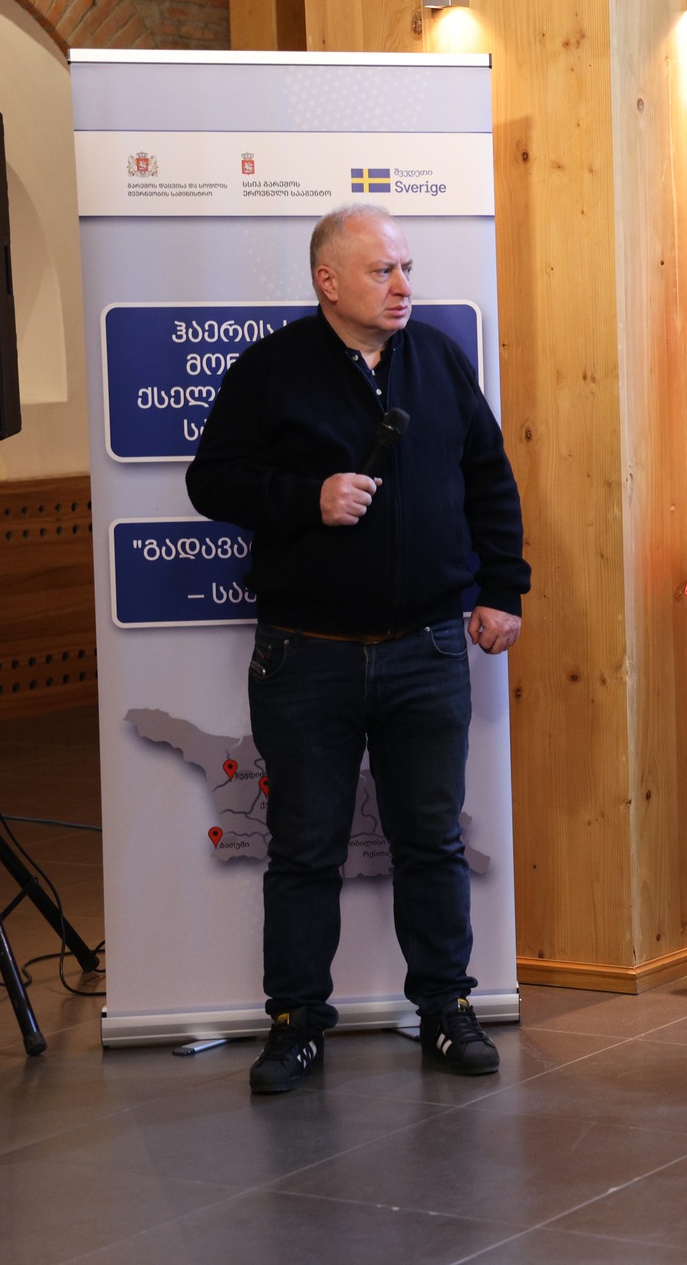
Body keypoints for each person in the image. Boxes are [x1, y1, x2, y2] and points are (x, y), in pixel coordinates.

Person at [187, 203, 529, 1094]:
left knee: (431, 841)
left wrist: (502, 590)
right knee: (306, 847)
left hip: (427, 649)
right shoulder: (271, 370)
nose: (404, 285)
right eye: (384, 271)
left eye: (408, 267)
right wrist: (308, 498)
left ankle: (445, 1009)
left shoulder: (440, 360)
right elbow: (211, 480)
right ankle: (296, 1024)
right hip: (308, 655)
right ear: (328, 280)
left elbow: (489, 480)